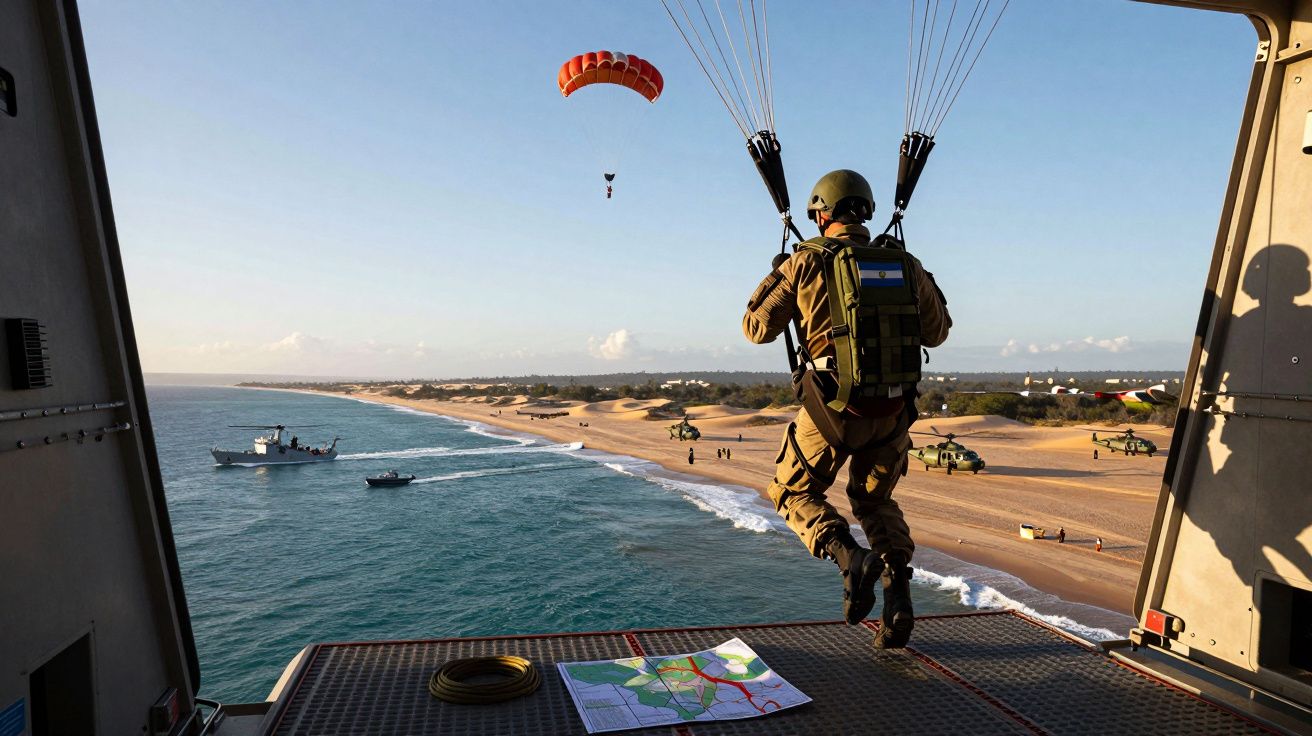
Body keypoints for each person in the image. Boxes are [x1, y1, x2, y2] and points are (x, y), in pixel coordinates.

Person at [742, 169, 951, 649]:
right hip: (894, 411)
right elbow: (938, 332)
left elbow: (755, 328)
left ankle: (848, 556)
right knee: (875, 501)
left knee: (791, 491)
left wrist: (780, 274)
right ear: (866, 211)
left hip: (832, 411)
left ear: (820, 214)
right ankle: (897, 588)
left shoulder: (804, 263)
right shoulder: (905, 263)